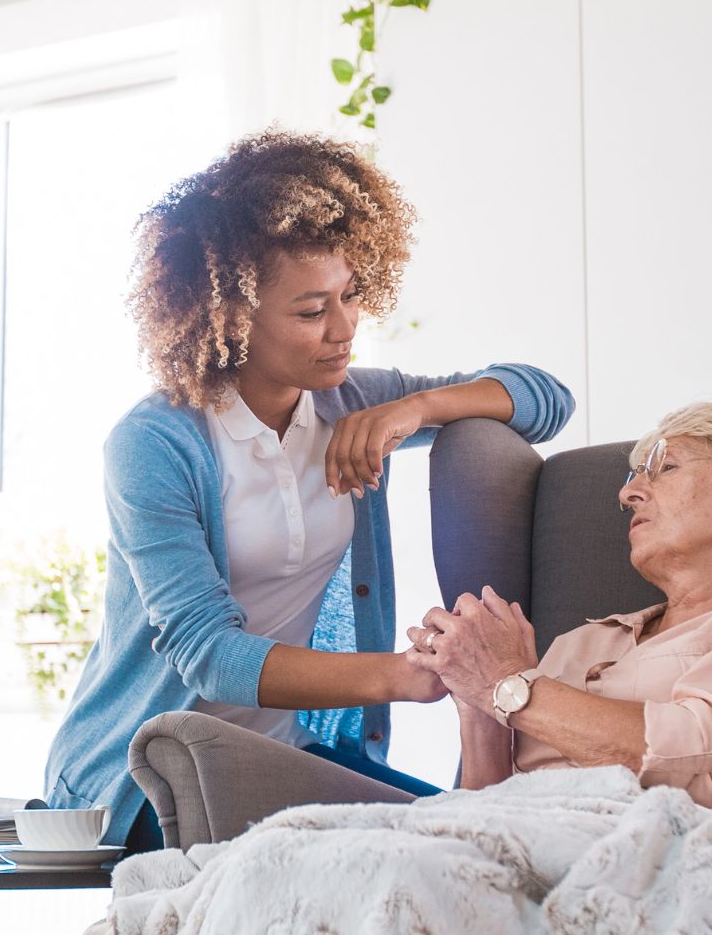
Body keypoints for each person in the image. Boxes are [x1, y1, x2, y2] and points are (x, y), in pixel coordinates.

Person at [43, 129, 575, 850]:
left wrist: (415, 409)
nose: (345, 328)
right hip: (147, 776)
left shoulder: (351, 400)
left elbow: (546, 399)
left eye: (351, 295)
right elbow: (209, 653)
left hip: (283, 758)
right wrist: (404, 675)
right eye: (311, 311)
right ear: (229, 317)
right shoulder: (155, 444)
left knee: (463, 840)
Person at [408, 398, 712, 832]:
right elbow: (481, 815)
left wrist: (505, 684)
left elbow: (698, 758)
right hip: (520, 847)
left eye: (665, 467)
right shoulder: (581, 643)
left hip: (680, 853)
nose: (628, 492)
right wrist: (477, 703)